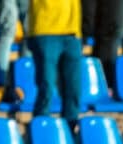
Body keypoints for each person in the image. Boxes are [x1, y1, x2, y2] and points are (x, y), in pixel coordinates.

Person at [26, 0, 83, 133]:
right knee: (46, 87)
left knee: (73, 88)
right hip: (45, 29)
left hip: (72, 32)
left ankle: (69, 132)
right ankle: (40, 131)